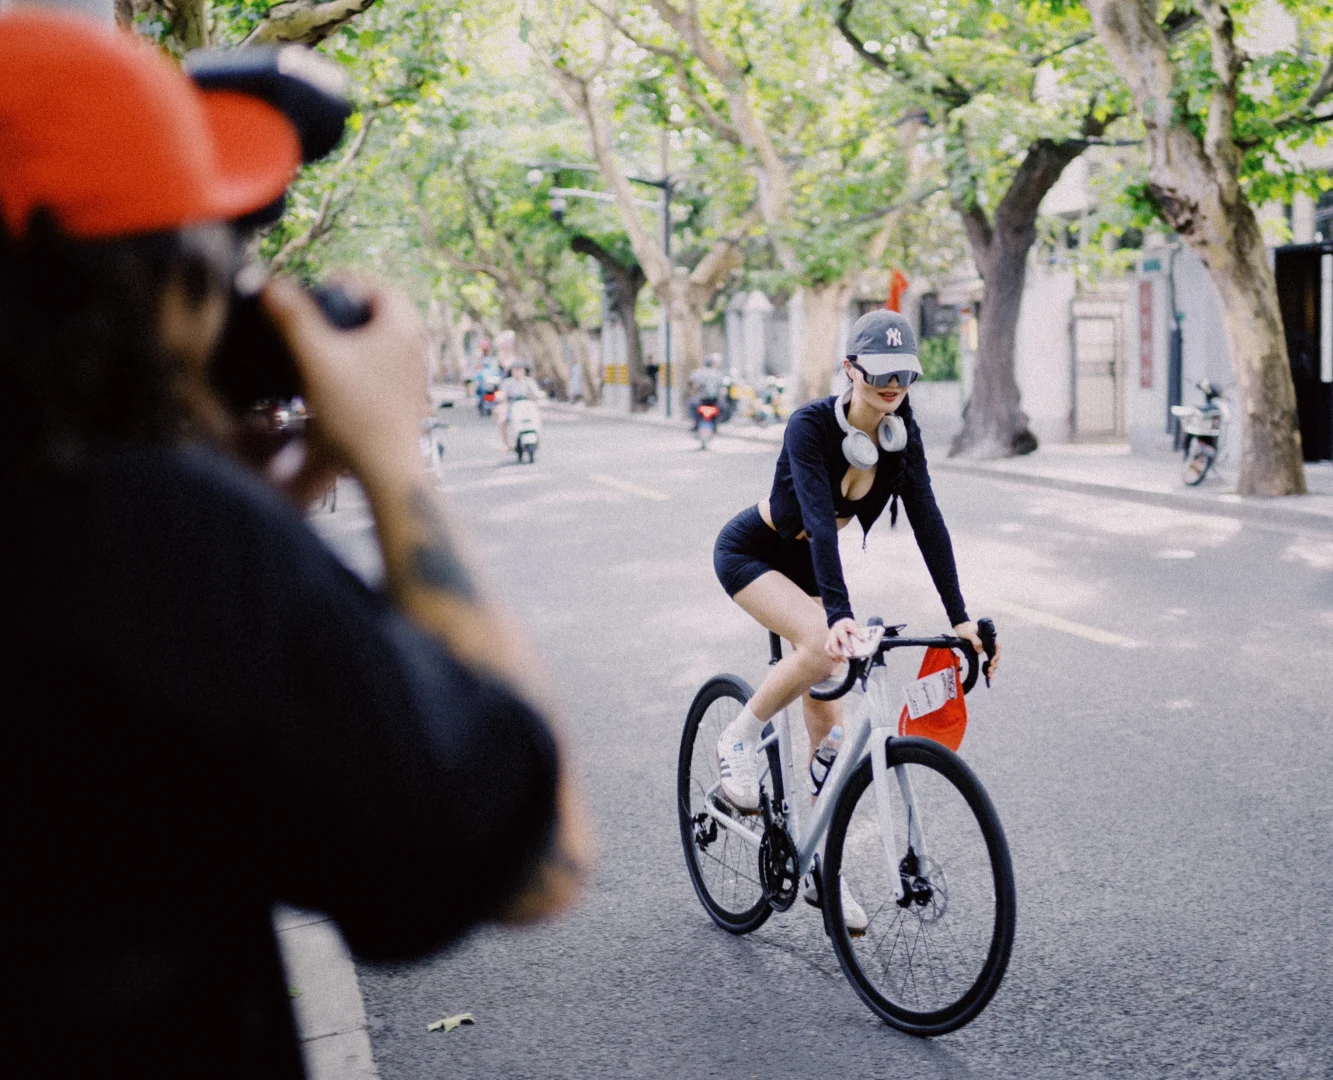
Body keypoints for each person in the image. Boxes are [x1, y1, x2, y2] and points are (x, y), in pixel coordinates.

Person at [0, 12, 589, 1078]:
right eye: (212, 259)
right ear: (150, 297)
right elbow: (534, 865)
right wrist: (389, 458)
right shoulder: (157, 547)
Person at [710, 308, 999, 929]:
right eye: (880, 376)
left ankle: (823, 867)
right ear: (851, 370)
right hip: (756, 554)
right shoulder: (808, 427)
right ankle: (736, 737)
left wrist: (961, 620)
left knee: (830, 742)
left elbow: (928, 521)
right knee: (821, 647)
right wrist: (837, 616)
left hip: (815, 571)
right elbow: (818, 522)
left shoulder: (901, 433)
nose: (893, 388)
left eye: (905, 376)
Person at [496, 359, 543, 449]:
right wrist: (501, 397)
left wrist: (539, 396)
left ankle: (537, 440)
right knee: (502, 419)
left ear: (524, 371)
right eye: (515, 369)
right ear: (512, 371)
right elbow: (502, 394)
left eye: (520, 369)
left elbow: (536, 393)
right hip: (512, 405)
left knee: (537, 417)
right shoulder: (507, 382)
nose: (518, 372)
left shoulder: (529, 382)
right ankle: (506, 443)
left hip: (527, 405)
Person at [688, 353, 726, 430]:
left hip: (702, 400)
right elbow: (723, 388)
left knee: (690, 404)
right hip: (715, 401)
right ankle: (716, 424)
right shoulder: (718, 373)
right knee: (724, 408)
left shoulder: (698, 372)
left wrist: (696, 388)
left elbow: (692, 382)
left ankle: (695, 423)